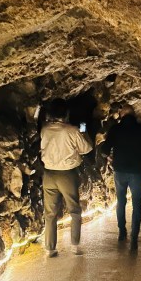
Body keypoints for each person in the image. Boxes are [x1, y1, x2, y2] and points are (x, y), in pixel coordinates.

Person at [101, 104, 141, 251]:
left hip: (120, 170)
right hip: (136, 170)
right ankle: (134, 237)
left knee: (121, 202)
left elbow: (104, 149)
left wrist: (109, 156)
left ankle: (122, 232)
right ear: (133, 115)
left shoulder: (115, 129)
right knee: (136, 204)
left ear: (122, 115)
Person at [40, 98, 92, 257]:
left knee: (50, 213)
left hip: (49, 174)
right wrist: (83, 129)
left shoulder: (45, 129)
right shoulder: (72, 130)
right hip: (67, 174)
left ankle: (50, 248)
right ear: (66, 113)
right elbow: (86, 148)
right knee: (74, 210)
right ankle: (75, 246)